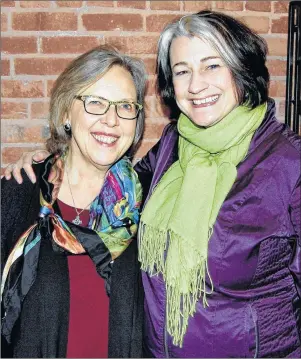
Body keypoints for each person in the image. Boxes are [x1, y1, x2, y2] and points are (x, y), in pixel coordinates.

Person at [4, 10, 301, 358]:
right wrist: (46, 160)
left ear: (241, 68)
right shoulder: (167, 155)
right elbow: (94, 153)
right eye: (182, 71)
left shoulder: (287, 165)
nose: (196, 84)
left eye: (212, 65)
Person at [1, 45, 147, 358]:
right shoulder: (19, 195)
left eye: (125, 106)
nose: (111, 120)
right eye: (96, 102)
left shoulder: (144, 205)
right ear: (67, 112)